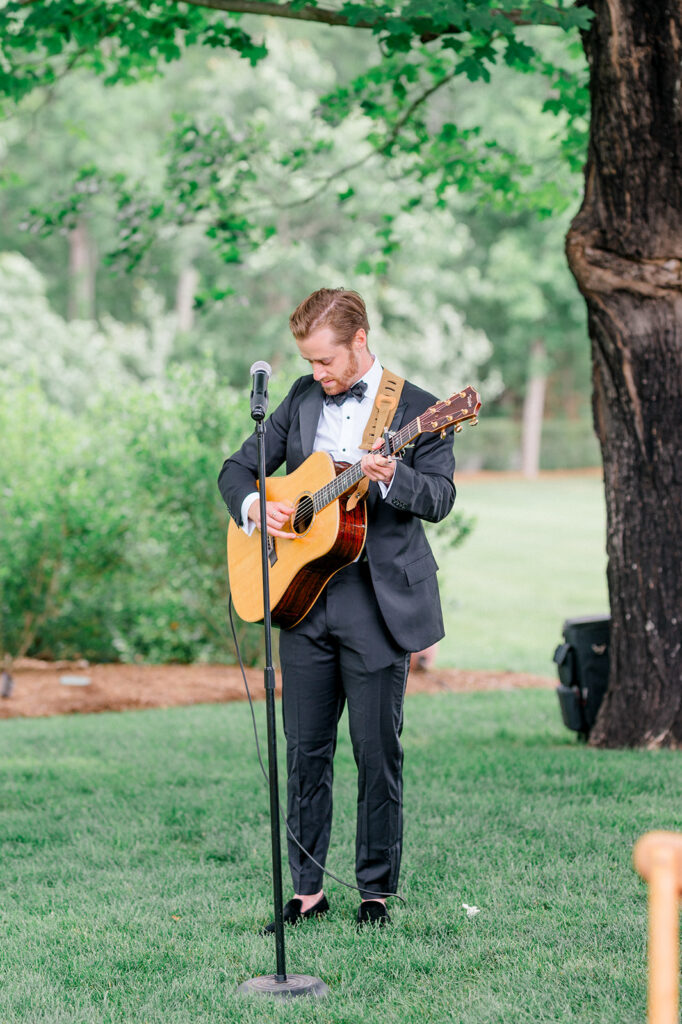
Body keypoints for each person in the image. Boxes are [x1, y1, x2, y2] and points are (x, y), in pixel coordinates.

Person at [218, 288, 456, 929]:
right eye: (309, 363)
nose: (317, 375)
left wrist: (390, 477)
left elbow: (438, 498)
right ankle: (307, 891)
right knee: (305, 749)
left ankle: (375, 892)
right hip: (302, 599)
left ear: (359, 341)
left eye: (325, 362)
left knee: (378, 752)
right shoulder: (297, 398)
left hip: (378, 603)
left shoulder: (421, 409)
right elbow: (238, 469)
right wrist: (255, 507)